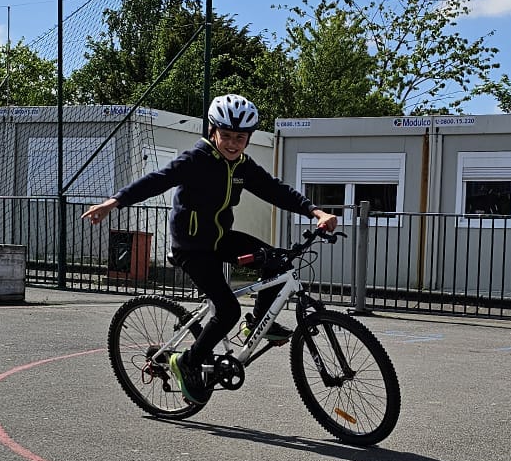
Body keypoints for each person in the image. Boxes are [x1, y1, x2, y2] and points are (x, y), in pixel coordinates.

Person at [83, 94, 338, 402]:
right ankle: (187, 360)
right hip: (191, 247)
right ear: (212, 131)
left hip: (219, 239)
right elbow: (157, 180)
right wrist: (115, 201)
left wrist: (316, 212)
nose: (232, 143)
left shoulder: (243, 166)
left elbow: (276, 191)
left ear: (249, 138)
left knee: (278, 262)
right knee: (228, 308)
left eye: (240, 137)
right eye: (226, 135)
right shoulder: (196, 160)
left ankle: (257, 323)